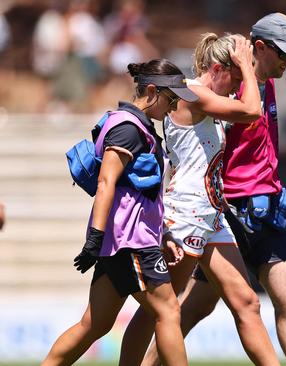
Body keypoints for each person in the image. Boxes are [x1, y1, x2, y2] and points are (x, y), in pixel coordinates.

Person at [144, 13, 286, 366]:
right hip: (223, 208)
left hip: (259, 205)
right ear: (260, 47)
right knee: (174, 308)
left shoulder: (265, 81)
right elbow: (214, 136)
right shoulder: (227, 85)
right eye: (284, 53)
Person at [121, 34, 279, 366]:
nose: (239, 86)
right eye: (235, 77)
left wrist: (245, 70)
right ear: (220, 68)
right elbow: (252, 110)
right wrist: (250, 71)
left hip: (211, 214)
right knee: (160, 307)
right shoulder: (190, 92)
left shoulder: (208, 96)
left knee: (247, 302)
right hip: (186, 212)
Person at [41, 58, 198, 366]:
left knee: (94, 324)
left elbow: (141, 194)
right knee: (168, 311)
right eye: (171, 99)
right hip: (131, 243)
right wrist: (94, 237)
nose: (174, 106)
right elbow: (106, 182)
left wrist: (163, 234)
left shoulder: (138, 127)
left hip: (127, 241)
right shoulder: (128, 128)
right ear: (152, 91)